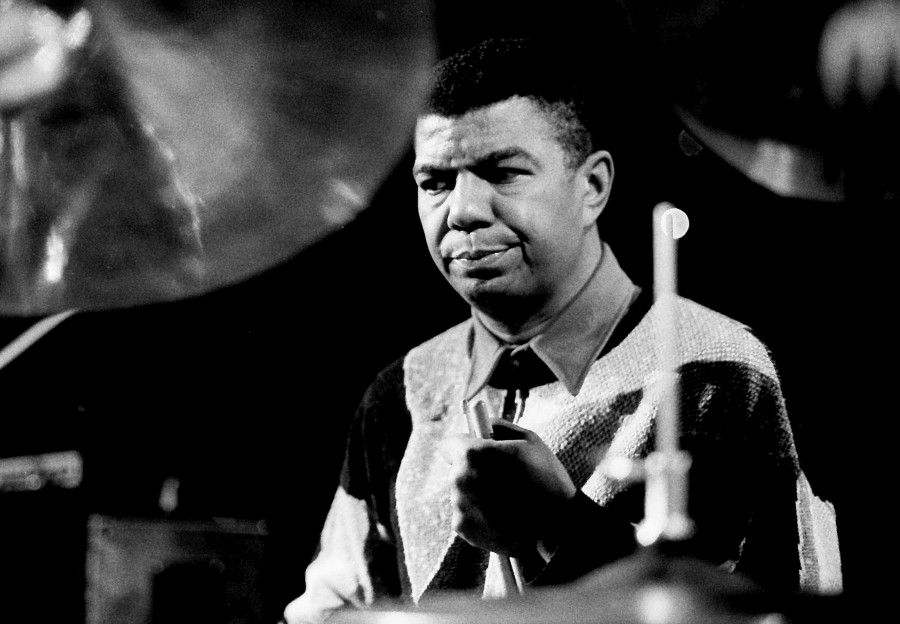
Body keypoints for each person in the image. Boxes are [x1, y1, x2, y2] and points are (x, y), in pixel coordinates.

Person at [283, 37, 841, 624]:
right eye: (436, 183)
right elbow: (330, 611)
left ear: (592, 187)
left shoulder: (719, 371)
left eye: (503, 172)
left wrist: (558, 528)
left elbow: (772, 612)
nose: (463, 210)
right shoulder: (401, 392)